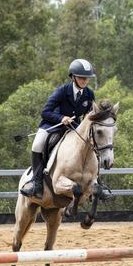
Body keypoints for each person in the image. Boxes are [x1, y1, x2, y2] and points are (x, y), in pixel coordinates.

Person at [20, 59, 97, 198]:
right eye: (81, 78)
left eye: (87, 78)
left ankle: (95, 182)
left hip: (74, 128)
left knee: (92, 144)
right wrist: (61, 118)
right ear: (73, 77)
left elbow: (88, 116)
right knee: (37, 144)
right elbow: (45, 112)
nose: (85, 81)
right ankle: (36, 182)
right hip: (52, 126)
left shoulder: (89, 94)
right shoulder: (62, 91)